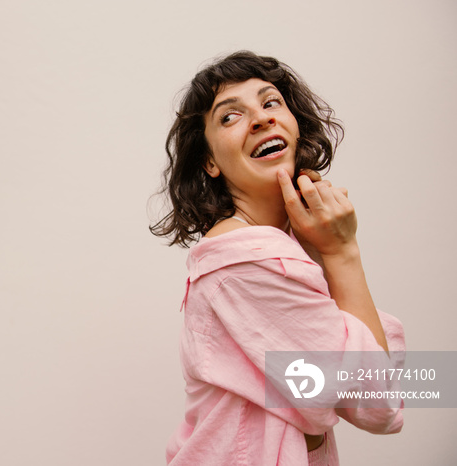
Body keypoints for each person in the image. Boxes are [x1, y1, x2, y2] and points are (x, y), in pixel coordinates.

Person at [151, 51, 405, 465]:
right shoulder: (243, 262)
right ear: (210, 162)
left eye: (271, 102)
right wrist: (342, 251)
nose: (261, 118)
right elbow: (378, 401)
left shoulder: (280, 246)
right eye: (229, 117)